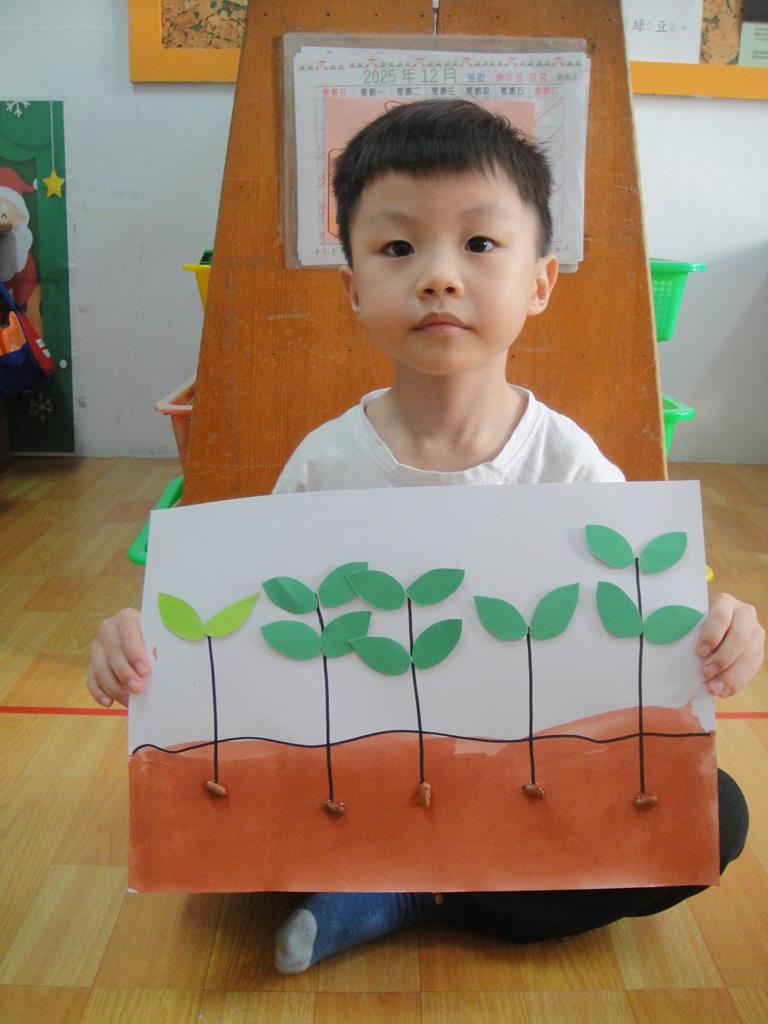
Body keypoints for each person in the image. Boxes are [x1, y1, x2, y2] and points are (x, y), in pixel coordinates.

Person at [88, 99, 763, 974]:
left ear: (540, 282)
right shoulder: (325, 466)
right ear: (353, 287)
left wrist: (720, 633)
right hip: (366, 783)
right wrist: (142, 650)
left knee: (715, 815)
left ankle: (406, 891)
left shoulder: (569, 464)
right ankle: (423, 876)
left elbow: (638, 630)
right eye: (398, 247)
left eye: (479, 243)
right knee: (204, 803)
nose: (439, 276)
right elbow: (253, 642)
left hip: (520, 782)